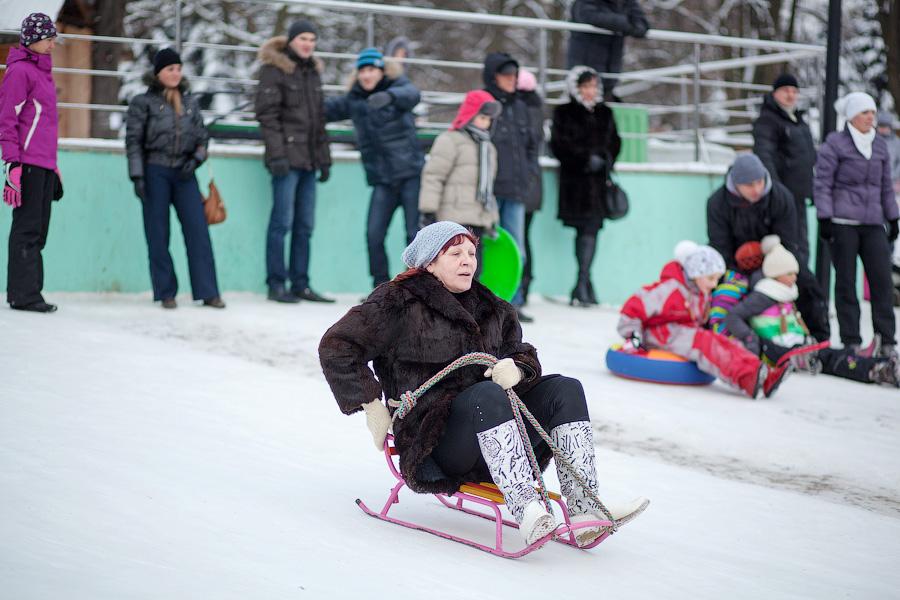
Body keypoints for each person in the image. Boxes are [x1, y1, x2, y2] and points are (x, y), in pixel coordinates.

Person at [319, 221, 648, 547]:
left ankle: (586, 510)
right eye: (455, 253)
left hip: (499, 434)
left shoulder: (491, 307)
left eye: (472, 253)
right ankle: (527, 511)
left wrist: (518, 369)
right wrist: (369, 404)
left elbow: (521, 352)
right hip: (436, 440)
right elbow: (338, 345)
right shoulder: (397, 301)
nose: (467, 261)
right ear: (430, 260)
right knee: (487, 395)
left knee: (565, 388)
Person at [617, 241, 790, 398]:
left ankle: (763, 373)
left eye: (717, 279)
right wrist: (633, 336)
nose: (715, 284)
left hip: (684, 333)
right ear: (695, 273)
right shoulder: (670, 289)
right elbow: (635, 305)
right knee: (706, 344)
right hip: (660, 334)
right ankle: (747, 378)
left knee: (721, 341)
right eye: (710, 278)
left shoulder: (700, 292)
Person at [722, 237, 898, 387]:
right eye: (789, 273)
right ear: (776, 275)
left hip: (796, 343)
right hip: (777, 348)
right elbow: (733, 316)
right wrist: (750, 337)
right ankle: (874, 369)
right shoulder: (763, 295)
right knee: (830, 359)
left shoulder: (786, 294)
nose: (794, 277)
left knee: (831, 355)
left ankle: (874, 364)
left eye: (795, 273)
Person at [125, 49, 224, 310]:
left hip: (185, 174)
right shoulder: (142, 103)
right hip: (154, 172)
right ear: (158, 73)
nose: (175, 73)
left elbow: (203, 138)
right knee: (158, 235)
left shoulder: (190, 103)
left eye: (178, 68)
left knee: (198, 233)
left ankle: (208, 292)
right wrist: (137, 175)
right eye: (170, 69)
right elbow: (133, 141)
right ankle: (166, 292)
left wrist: (196, 160)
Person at [326, 48, 424, 289]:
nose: (367, 75)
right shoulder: (355, 99)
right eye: (362, 71)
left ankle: (417, 288)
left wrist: (389, 96)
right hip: (383, 180)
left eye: (372, 70)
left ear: (381, 71)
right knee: (374, 234)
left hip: (411, 175)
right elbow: (325, 110)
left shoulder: (397, 86)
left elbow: (412, 94)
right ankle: (381, 288)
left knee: (415, 235)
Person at [707, 153, 830, 342]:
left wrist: (770, 273)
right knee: (711, 287)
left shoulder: (780, 197)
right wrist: (739, 274)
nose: (756, 189)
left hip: (775, 260)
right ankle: (719, 338)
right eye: (749, 185)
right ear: (736, 184)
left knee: (806, 282)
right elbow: (719, 248)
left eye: (759, 182)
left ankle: (820, 338)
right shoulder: (717, 203)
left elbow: (789, 244)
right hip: (733, 264)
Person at [814, 92, 899, 358]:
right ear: (851, 116)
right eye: (865, 112)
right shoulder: (835, 144)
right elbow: (823, 182)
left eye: (872, 112)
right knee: (846, 282)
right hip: (842, 222)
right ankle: (851, 340)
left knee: (882, 281)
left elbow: (885, 186)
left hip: (873, 222)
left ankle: (886, 339)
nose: (870, 117)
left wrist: (893, 217)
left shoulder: (881, 145)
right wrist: (825, 217)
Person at [255, 19, 333, 304]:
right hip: (286, 160)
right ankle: (276, 283)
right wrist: (276, 155)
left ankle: (301, 283)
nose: (308, 44)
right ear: (290, 40)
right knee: (281, 223)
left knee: (305, 225)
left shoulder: (312, 72)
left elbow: (319, 121)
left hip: (309, 162)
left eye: (312, 40)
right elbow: (267, 116)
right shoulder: (274, 70)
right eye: (303, 38)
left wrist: (324, 159)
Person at [1, 13, 62, 313]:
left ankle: (30, 291)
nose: (53, 44)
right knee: (26, 229)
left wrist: (54, 165)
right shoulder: (20, 72)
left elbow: (46, 126)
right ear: (33, 39)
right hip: (26, 164)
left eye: (54, 38)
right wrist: (12, 164)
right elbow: (6, 121)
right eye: (49, 38)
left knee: (39, 230)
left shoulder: (44, 75)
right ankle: (22, 295)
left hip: (44, 164)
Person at [550, 66, 621, 306]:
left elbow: (615, 143)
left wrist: (605, 158)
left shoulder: (605, 113)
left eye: (593, 86)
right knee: (584, 230)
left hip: (598, 184)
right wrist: (582, 159)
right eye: (585, 86)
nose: (590, 91)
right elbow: (558, 145)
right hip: (576, 185)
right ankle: (583, 285)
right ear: (575, 88)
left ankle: (582, 283)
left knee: (591, 231)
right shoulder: (564, 112)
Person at [417, 91, 501, 276]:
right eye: (481, 117)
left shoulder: (488, 148)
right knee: (447, 269)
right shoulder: (450, 140)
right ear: (469, 114)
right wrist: (428, 210)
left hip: (477, 218)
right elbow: (434, 176)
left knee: (473, 271)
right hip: (453, 216)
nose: (484, 122)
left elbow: (488, 188)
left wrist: (491, 218)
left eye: (488, 119)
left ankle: (467, 305)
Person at [482, 53, 538, 321]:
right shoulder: (485, 102)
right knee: (484, 247)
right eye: (506, 75)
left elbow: (531, 145)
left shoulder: (521, 106)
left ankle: (513, 303)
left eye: (514, 76)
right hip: (489, 190)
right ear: (493, 76)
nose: (511, 81)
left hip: (515, 189)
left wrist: (528, 173)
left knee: (517, 249)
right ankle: (483, 300)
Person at [752, 73, 817, 261]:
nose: (790, 95)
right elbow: (764, 155)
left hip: (799, 195)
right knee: (787, 246)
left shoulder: (799, 121)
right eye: (785, 90)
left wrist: (812, 188)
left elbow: (807, 157)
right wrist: (776, 189)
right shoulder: (768, 120)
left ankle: (802, 288)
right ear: (774, 94)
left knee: (801, 246)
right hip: (782, 196)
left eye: (794, 91)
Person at [567, 0, 649, 100]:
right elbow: (588, 15)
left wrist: (625, 26)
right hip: (585, 72)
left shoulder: (626, 2)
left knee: (606, 105)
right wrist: (625, 24)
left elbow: (642, 25)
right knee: (580, 108)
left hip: (610, 73)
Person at [516, 69, 544, 304]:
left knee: (518, 238)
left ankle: (520, 286)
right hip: (533, 186)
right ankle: (525, 284)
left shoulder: (521, 110)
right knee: (524, 237)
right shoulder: (537, 109)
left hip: (521, 184)